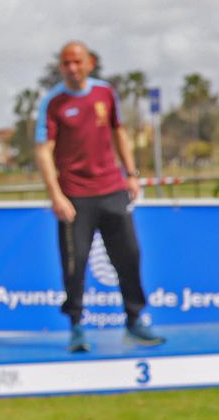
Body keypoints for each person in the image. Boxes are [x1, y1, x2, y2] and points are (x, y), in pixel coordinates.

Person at [33, 41, 164, 353]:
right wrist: (56, 196)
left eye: (77, 61)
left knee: (129, 257)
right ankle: (77, 327)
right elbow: (43, 150)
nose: (72, 68)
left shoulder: (105, 92)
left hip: (113, 190)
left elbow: (119, 132)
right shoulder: (53, 102)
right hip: (74, 199)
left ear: (90, 63)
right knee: (74, 264)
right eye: (66, 63)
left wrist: (131, 174)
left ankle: (135, 321)